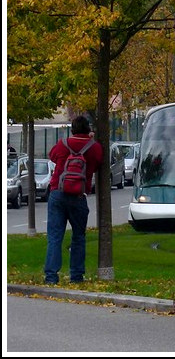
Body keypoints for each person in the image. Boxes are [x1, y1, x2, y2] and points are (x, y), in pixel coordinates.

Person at [44, 115, 103, 285]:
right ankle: (76, 276)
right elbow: (98, 163)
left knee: (55, 236)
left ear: (72, 129)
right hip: (78, 196)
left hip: (58, 193)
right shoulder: (94, 147)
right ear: (88, 130)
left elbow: (52, 156)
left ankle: (51, 276)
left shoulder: (62, 144)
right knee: (78, 237)